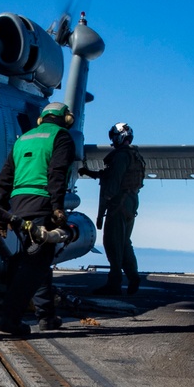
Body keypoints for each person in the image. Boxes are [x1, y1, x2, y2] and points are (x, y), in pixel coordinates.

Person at [0, 102, 74, 336]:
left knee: (37, 259)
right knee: (33, 265)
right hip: (42, 202)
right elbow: (57, 173)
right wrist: (58, 206)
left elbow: (4, 177)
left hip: (18, 204)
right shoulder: (61, 136)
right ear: (65, 119)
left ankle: (46, 316)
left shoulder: (23, 138)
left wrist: (0, 213)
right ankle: (10, 320)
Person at [79, 122, 145, 295]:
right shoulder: (134, 155)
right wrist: (89, 172)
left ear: (119, 136)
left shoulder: (121, 156)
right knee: (124, 243)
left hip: (119, 203)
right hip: (130, 202)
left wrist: (107, 200)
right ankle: (133, 277)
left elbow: (114, 180)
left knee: (112, 243)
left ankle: (114, 284)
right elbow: (112, 175)